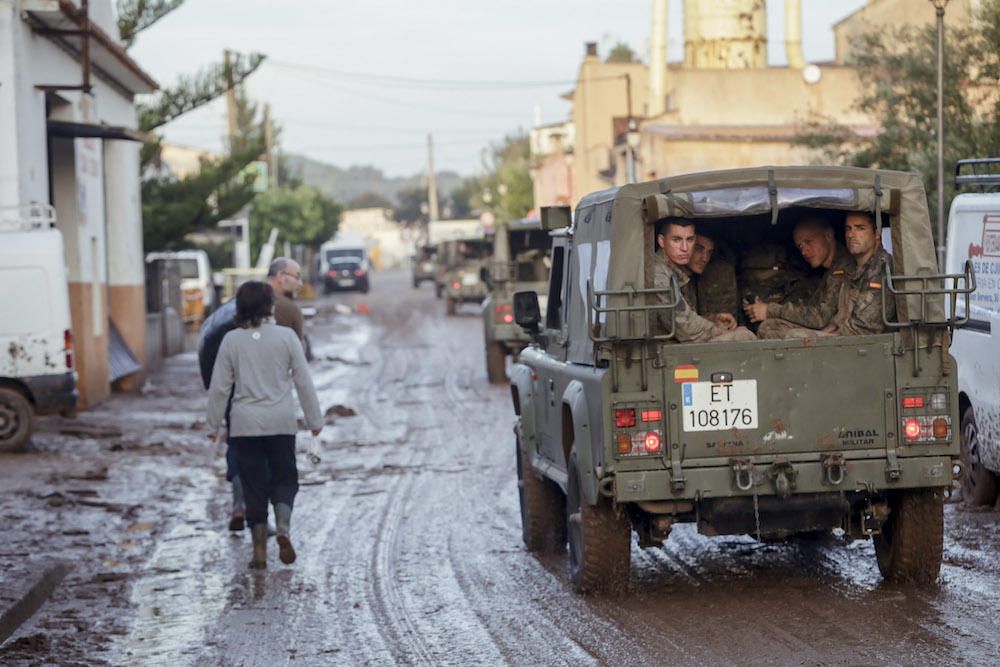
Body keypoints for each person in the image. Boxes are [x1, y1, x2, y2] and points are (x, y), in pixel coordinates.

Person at [207, 281, 323, 569]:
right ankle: (282, 528)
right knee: (284, 478)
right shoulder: (287, 338)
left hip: (245, 426)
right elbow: (303, 382)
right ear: (270, 306)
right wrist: (314, 421)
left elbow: (220, 387)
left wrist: (213, 424)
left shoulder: (231, 340)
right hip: (280, 423)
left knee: (253, 486)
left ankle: (259, 550)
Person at [197, 257, 307, 532]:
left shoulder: (236, 306)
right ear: (281, 276)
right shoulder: (287, 311)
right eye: (296, 276)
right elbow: (301, 367)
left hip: (239, 400)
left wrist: (212, 422)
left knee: (240, 450)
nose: (300, 282)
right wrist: (313, 419)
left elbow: (218, 379)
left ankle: (240, 505)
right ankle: (275, 520)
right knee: (275, 461)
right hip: (273, 402)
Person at [744, 216, 853, 339]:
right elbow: (809, 305)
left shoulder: (842, 269)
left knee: (769, 329)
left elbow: (820, 317)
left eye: (808, 242)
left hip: (839, 335)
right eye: (800, 246)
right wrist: (763, 307)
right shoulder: (827, 271)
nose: (804, 252)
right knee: (769, 326)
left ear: (828, 235)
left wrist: (770, 310)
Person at [653, 218, 756, 343]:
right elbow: (684, 327)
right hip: (662, 350)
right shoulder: (659, 274)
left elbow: (684, 317)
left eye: (690, 240)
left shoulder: (674, 272)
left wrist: (713, 319)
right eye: (676, 240)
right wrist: (720, 331)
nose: (685, 248)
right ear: (662, 241)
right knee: (744, 337)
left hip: (673, 343)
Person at [823, 212, 896, 336]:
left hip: (868, 348)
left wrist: (819, 338)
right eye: (848, 229)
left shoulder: (882, 268)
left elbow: (863, 328)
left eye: (860, 228)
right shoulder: (851, 268)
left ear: (877, 234)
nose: (851, 235)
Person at [687, 229, 740, 328]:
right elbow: (684, 327)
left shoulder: (692, 277)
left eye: (709, 252)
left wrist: (714, 319)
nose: (705, 258)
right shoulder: (671, 278)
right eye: (698, 249)